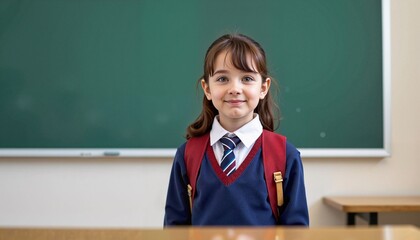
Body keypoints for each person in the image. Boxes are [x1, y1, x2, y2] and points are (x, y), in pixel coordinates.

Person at [164, 33, 309, 226]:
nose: (235, 88)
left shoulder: (284, 155)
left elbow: (296, 231)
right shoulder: (188, 154)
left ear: (263, 88)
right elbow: (175, 229)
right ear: (207, 89)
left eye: (247, 78)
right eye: (223, 79)